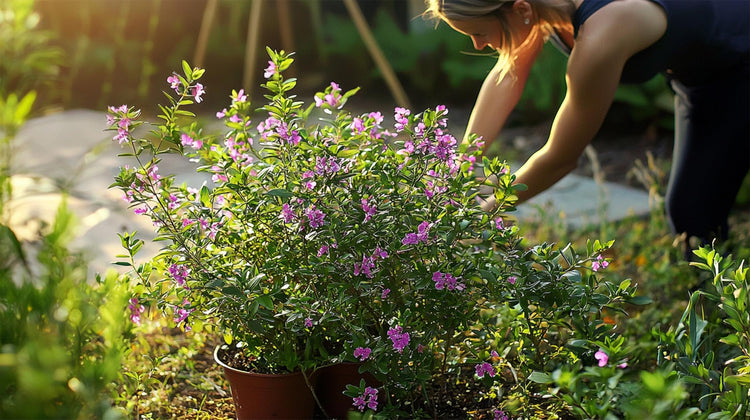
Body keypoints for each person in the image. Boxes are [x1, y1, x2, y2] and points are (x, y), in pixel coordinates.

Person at [424, 0, 749, 252]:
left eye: (479, 33)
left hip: (738, 61)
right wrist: (460, 166)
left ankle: (723, 323)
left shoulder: (602, 33)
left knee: (694, 216)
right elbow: (508, 72)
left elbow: (561, 157)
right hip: (701, 77)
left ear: (520, 9)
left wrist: (483, 212)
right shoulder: (539, 7)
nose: (479, 45)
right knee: (692, 218)